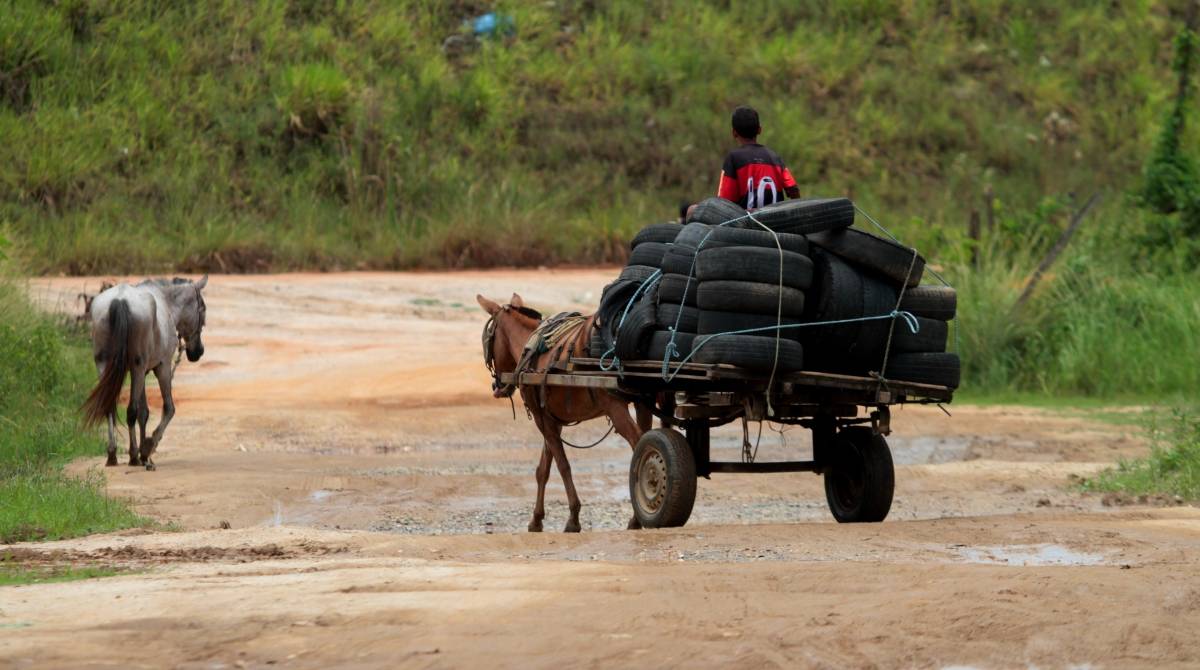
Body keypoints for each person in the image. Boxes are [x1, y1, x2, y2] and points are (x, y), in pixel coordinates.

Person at [717, 106, 800, 210]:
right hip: (776, 221)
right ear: (759, 130)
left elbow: (724, 201)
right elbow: (793, 189)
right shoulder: (775, 157)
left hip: (745, 222)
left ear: (734, 133)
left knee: (693, 209)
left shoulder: (733, 158)